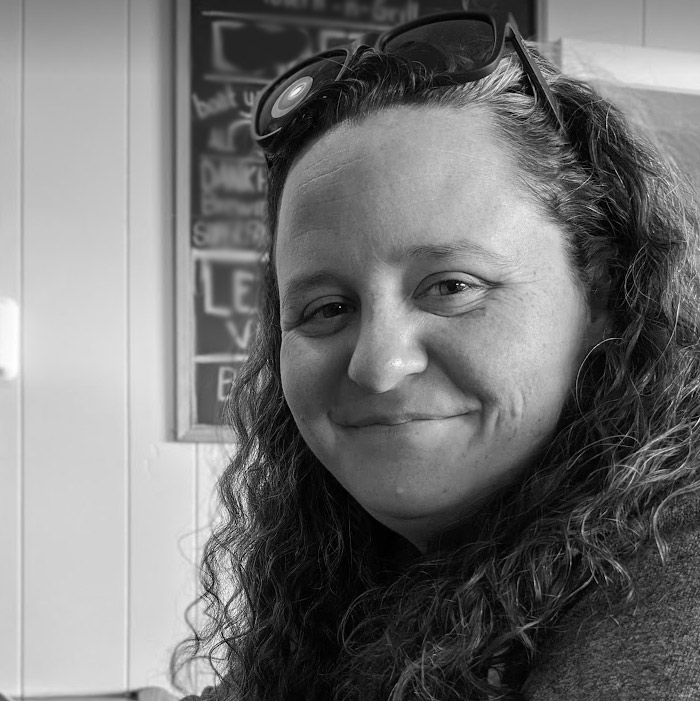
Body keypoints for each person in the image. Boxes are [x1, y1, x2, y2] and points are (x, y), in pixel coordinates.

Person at [172, 10, 700, 701]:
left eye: (451, 286)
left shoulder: (675, 578)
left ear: (603, 294)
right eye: (327, 308)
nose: (377, 364)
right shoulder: (349, 584)